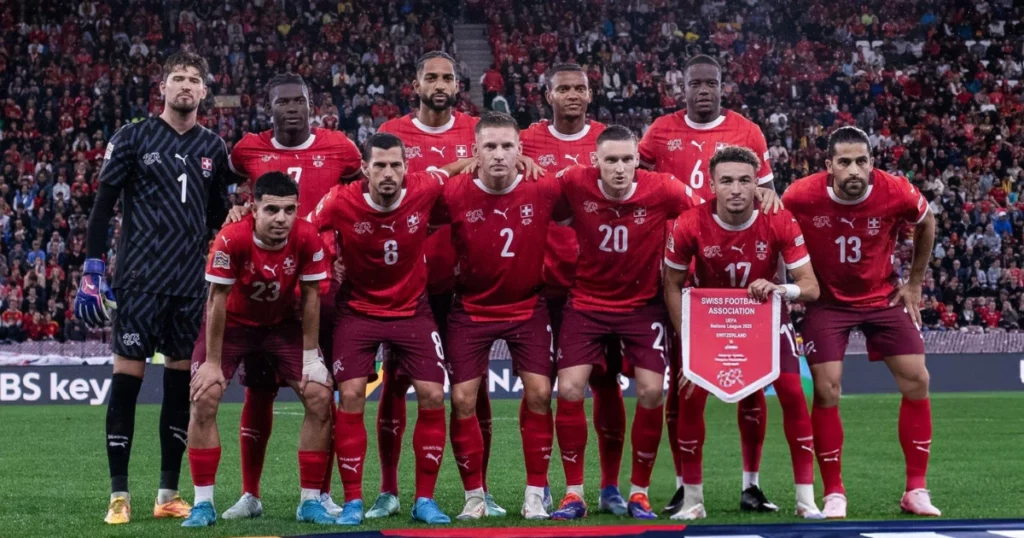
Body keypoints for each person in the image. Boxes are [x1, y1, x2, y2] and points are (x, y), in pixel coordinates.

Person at [74, 51, 235, 525]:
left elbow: (214, 216)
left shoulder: (213, 147)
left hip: (188, 286)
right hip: (139, 282)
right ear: (162, 88)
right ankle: (118, 495)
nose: (185, 85)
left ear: (204, 92)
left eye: (194, 79)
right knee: (126, 384)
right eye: (177, 78)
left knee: (178, 389)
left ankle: (167, 492)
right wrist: (92, 267)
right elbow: (103, 205)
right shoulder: (132, 137)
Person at [638, 54, 780, 512]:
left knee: (751, 382)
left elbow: (769, 199)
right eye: (695, 83)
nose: (703, 90)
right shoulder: (659, 131)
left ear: (723, 87)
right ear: (682, 86)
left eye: (711, 84)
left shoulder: (748, 131)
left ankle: (752, 485)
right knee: (685, 385)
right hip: (681, 272)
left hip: (739, 275)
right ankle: (685, 486)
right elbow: (634, 182)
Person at [222, 72, 362, 519]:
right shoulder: (247, 149)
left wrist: (345, 245)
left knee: (328, 390)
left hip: (326, 290)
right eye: (282, 102)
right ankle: (250, 494)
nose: (291, 109)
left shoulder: (342, 148)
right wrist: (234, 207)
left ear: (311, 104)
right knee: (258, 392)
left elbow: (361, 197)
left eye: (298, 101)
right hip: (269, 293)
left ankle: (319, 495)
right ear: (270, 108)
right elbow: (221, 188)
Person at [782, 126, 939, 518]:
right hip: (827, 302)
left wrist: (915, 283)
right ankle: (834, 491)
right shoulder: (800, 194)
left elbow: (927, 221)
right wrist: (790, 289)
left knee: (917, 379)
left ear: (872, 163)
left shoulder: (896, 190)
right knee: (827, 389)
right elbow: (777, 233)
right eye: (845, 162)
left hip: (882, 297)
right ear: (829, 166)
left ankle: (916, 491)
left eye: (861, 162)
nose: (854, 170)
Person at [549, 125, 704, 521]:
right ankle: (573, 494)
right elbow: (531, 195)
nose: (619, 169)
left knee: (652, 392)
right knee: (568, 389)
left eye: (627, 160)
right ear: (595, 161)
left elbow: (707, 214)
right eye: (611, 160)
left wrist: (760, 194)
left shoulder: (664, 188)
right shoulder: (573, 182)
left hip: (642, 306)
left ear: (638, 160)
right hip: (586, 303)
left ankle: (639, 494)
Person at [310, 133, 466, 526]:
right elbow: (305, 231)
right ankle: (353, 501)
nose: (388, 172)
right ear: (364, 169)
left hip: (412, 310)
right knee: (349, 395)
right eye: (379, 165)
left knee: (432, 393)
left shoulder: (424, 187)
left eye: (396, 164)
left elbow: (450, 171)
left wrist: (485, 159)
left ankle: (424, 500)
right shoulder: (341, 199)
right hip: (358, 312)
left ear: (406, 168)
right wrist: (331, 259)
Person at [662, 145, 823, 520]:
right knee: (689, 396)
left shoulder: (778, 218)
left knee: (792, 393)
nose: (736, 189)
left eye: (745, 180)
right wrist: (688, 342)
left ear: (757, 185)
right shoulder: (690, 222)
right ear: (713, 186)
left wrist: (780, 288)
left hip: (765, 318)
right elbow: (670, 283)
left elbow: (811, 287)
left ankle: (804, 499)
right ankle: (692, 500)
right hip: (708, 322)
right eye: (727, 181)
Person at [371, 51, 488, 519]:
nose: (440, 84)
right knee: (395, 386)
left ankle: (477, 493)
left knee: (470, 390)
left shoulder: (477, 131)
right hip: (408, 283)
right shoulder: (394, 134)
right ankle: (387, 490)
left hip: (464, 281)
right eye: (431, 77)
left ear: (458, 85)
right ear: (415, 84)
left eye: (448, 77)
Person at [180, 171, 334, 527]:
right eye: (272, 210)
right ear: (253, 208)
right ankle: (203, 504)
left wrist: (312, 358)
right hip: (232, 325)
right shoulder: (231, 239)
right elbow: (216, 300)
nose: (281, 219)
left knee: (319, 396)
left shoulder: (308, 237)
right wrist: (212, 363)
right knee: (204, 395)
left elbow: (311, 298)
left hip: (281, 326)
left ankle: (310, 501)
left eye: (289, 210)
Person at [434, 112, 559, 520]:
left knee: (540, 393)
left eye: (508, 146)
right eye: (490, 147)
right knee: (462, 399)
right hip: (470, 309)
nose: (499, 154)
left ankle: (536, 493)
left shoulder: (545, 187)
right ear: (475, 153)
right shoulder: (452, 192)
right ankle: (475, 496)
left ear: (521, 151)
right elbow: (408, 194)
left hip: (527, 306)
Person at [521, 64, 631, 515]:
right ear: (547, 95)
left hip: (602, 285)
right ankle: (541, 484)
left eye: (579, 88)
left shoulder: (611, 140)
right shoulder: (525, 140)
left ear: (590, 94)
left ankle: (608, 487)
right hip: (543, 285)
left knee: (608, 385)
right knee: (541, 388)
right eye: (562, 88)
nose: (571, 95)